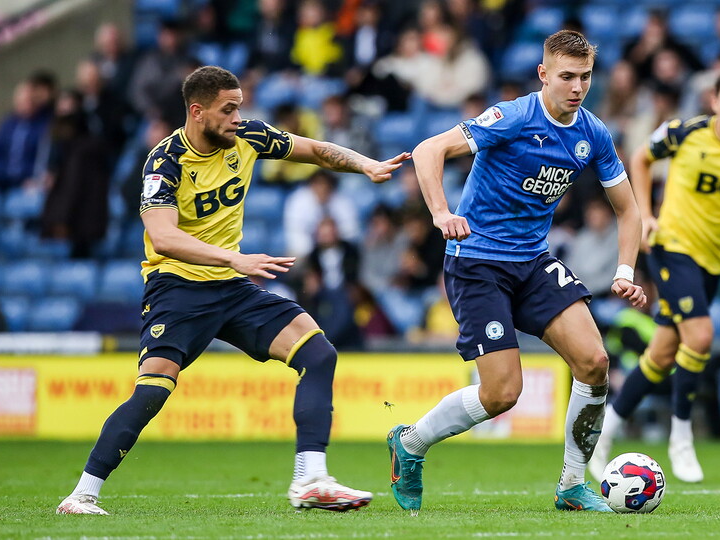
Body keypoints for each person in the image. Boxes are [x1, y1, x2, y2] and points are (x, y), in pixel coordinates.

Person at [56, 65, 409, 515]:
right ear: (197, 111)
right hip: (177, 288)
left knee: (318, 353)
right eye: (229, 109)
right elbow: (163, 237)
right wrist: (234, 259)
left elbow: (315, 149)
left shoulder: (247, 137)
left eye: (240, 107)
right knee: (153, 391)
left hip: (231, 288)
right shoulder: (164, 161)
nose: (238, 117)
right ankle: (82, 494)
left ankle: (311, 479)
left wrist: (366, 164)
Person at [385, 30, 647, 514]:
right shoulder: (512, 117)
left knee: (594, 362)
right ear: (543, 74)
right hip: (478, 262)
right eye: (566, 76)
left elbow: (629, 212)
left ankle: (572, 486)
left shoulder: (593, 133)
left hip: (531, 260)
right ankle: (412, 442)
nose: (577, 87)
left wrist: (625, 269)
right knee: (503, 393)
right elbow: (428, 151)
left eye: (585, 77)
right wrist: (442, 213)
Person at [588, 68, 720, 483]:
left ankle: (604, 433)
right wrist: (647, 214)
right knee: (700, 336)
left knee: (663, 352)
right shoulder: (683, 132)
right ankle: (681, 438)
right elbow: (640, 157)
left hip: (712, 261)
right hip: (670, 246)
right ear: (714, 101)